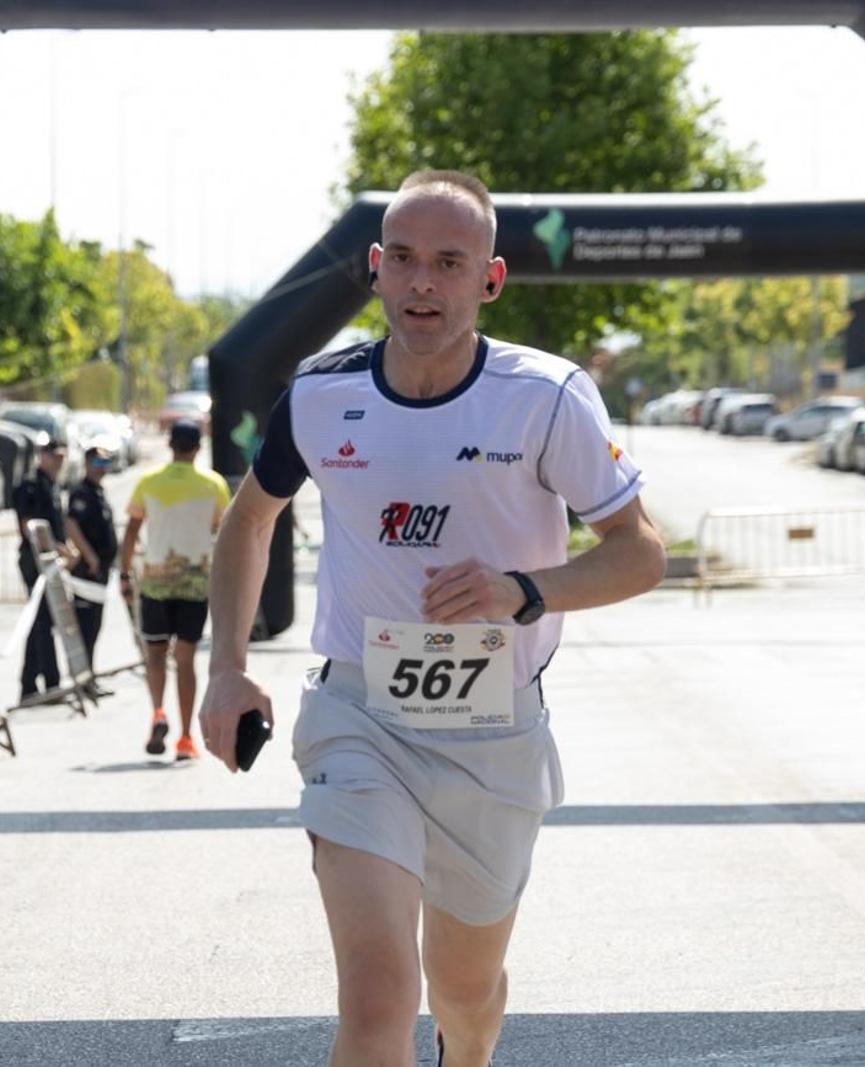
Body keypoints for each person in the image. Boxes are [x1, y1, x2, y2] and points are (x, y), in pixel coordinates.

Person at [198, 170, 665, 1067]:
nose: (422, 282)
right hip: (358, 716)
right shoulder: (322, 392)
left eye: (449, 263)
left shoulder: (547, 397)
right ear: (374, 270)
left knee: (465, 993)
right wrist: (227, 663)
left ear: (488, 280)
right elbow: (249, 518)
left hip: (493, 727)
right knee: (378, 996)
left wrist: (523, 590)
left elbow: (640, 550)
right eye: (403, 259)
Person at [118, 419, 230, 762]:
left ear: (170, 445)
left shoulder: (149, 482)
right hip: (195, 584)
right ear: (198, 447)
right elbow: (223, 531)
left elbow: (133, 530)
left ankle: (157, 713)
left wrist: (124, 574)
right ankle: (184, 738)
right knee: (185, 659)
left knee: (154, 653)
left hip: (154, 582)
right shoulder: (213, 485)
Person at [13, 438, 77, 701]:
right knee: (41, 622)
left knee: (43, 622)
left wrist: (66, 548)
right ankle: (50, 682)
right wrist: (61, 549)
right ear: (43, 456)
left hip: (51, 561)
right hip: (35, 561)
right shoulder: (30, 486)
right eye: (55, 457)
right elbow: (30, 527)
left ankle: (30, 683)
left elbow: (57, 525)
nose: (59, 463)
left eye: (62, 458)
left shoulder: (52, 486)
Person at [65, 442, 119, 684]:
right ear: (86, 464)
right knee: (85, 626)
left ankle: (90, 676)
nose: (101, 468)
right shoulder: (81, 492)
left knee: (95, 625)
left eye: (105, 463)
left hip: (101, 570)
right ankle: (83, 678)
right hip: (88, 570)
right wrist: (90, 557)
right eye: (97, 463)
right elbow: (72, 525)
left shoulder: (98, 492)